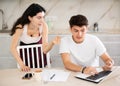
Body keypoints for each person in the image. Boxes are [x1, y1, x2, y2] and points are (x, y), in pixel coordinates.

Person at [10, 3, 60, 72]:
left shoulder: (44, 26)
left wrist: (52, 43)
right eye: (39, 17)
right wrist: (22, 65)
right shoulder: (20, 28)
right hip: (26, 55)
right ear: (30, 18)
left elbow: (45, 50)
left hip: (40, 55)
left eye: (43, 17)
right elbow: (12, 48)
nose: (42, 20)